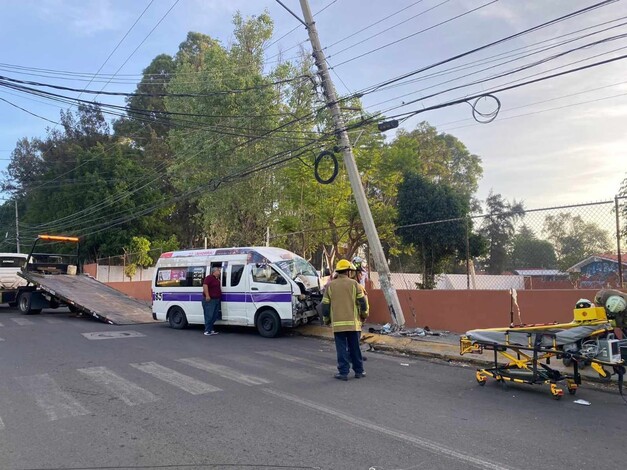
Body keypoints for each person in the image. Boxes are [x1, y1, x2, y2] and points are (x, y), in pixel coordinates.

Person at [322, 259, 369, 381]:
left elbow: (325, 306)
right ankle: (359, 371)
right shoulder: (355, 284)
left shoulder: (330, 286)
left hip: (338, 325)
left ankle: (343, 373)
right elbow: (362, 303)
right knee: (355, 348)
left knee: (341, 349)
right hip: (353, 324)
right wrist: (364, 315)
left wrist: (326, 320)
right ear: (348, 272)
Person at [202, 267, 222, 336]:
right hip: (210, 300)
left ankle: (211, 329)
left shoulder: (217, 279)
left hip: (216, 299)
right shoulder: (209, 277)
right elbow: (205, 285)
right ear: (214, 272)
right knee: (209, 315)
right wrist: (207, 295)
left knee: (214, 315)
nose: (219, 271)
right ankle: (207, 330)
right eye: (218, 270)